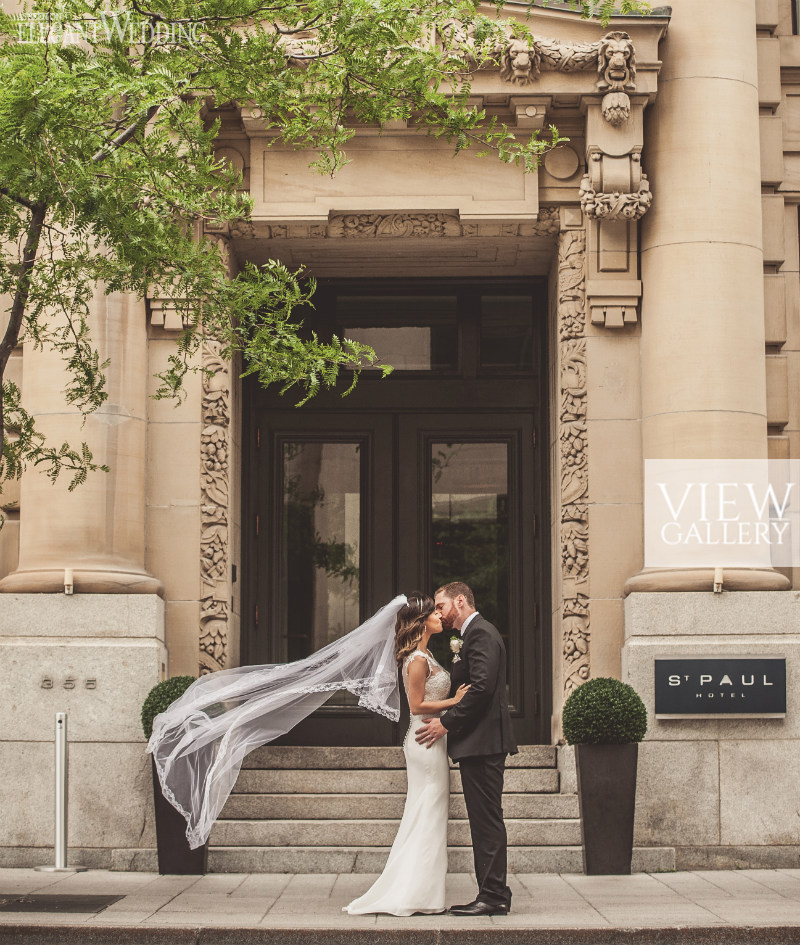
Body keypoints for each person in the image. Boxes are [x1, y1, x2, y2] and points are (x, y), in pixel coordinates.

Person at [344, 593, 470, 916]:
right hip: (424, 740)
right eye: (434, 613)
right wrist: (453, 702)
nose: (440, 617)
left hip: (431, 741)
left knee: (428, 813)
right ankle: (417, 894)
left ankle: (424, 892)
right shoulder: (416, 660)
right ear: (421, 621)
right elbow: (415, 706)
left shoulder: (426, 655)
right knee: (427, 812)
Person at [415, 582, 518, 917]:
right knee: (484, 820)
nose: (439, 612)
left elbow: (483, 688)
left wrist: (447, 723)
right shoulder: (469, 635)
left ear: (460, 601)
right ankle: (495, 891)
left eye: (442, 606)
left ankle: (493, 896)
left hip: (483, 743)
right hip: (478, 742)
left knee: (486, 821)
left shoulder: (482, 633)